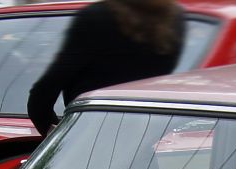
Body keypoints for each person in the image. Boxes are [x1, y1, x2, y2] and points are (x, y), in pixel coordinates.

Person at [26, 0, 184, 136]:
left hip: (90, 143)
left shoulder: (97, 17)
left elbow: (43, 93)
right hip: (141, 152)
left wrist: (57, 137)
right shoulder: (173, 20)